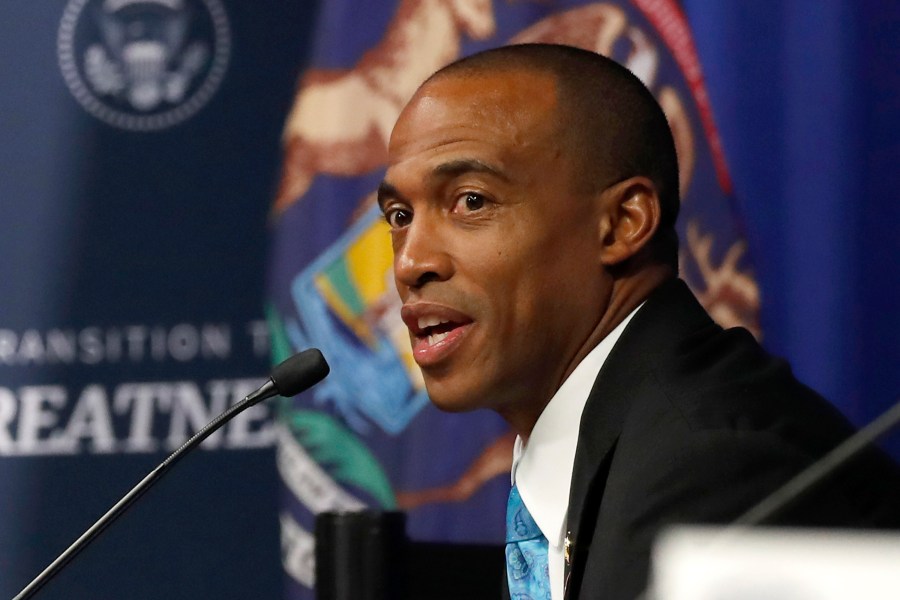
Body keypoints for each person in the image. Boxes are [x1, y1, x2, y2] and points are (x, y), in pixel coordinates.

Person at [376, 43, 900, 600]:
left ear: (623, 223)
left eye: (472, 201)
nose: (411, 263)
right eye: (400, 216)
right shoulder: (617, 440)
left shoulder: (712, 468)